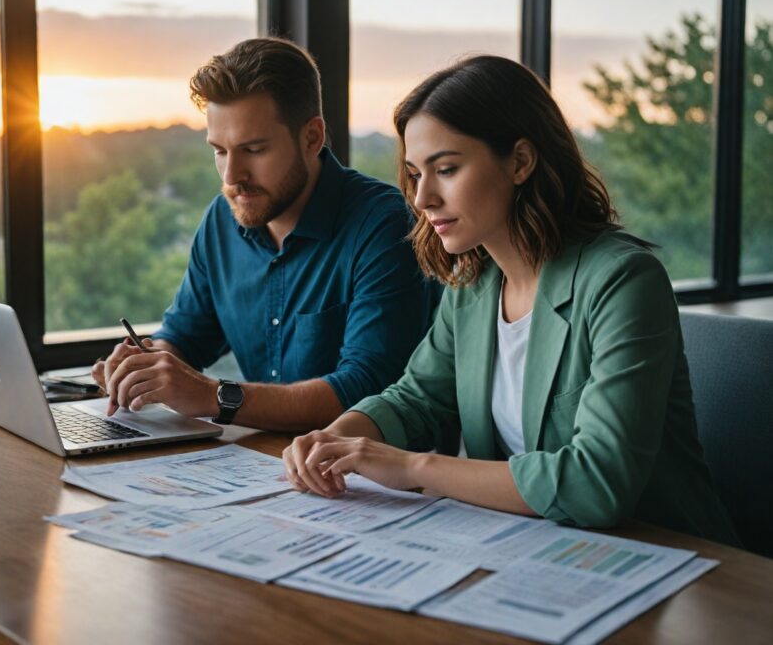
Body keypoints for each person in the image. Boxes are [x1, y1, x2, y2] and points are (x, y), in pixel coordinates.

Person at [283, 55, 738, 544]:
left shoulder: (624, 281)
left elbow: (597, 481)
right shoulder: (474, 285)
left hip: (671, 562)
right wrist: (341, 435)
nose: (422, 199)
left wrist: (414, 466)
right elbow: (416, 398)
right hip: (533, 547)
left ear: (521, 161)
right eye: (416, 174)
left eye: (448, 169)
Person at [93, 37, 438, 432]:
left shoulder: (384, 225)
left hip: (369, 479)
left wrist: (212, 395)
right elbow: (185, 338)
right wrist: (146, 366)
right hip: (259, 464)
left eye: (253, 150)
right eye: (220, 150)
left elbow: (366, 391)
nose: (231, 177)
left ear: (312, 138)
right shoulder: (222, 221)